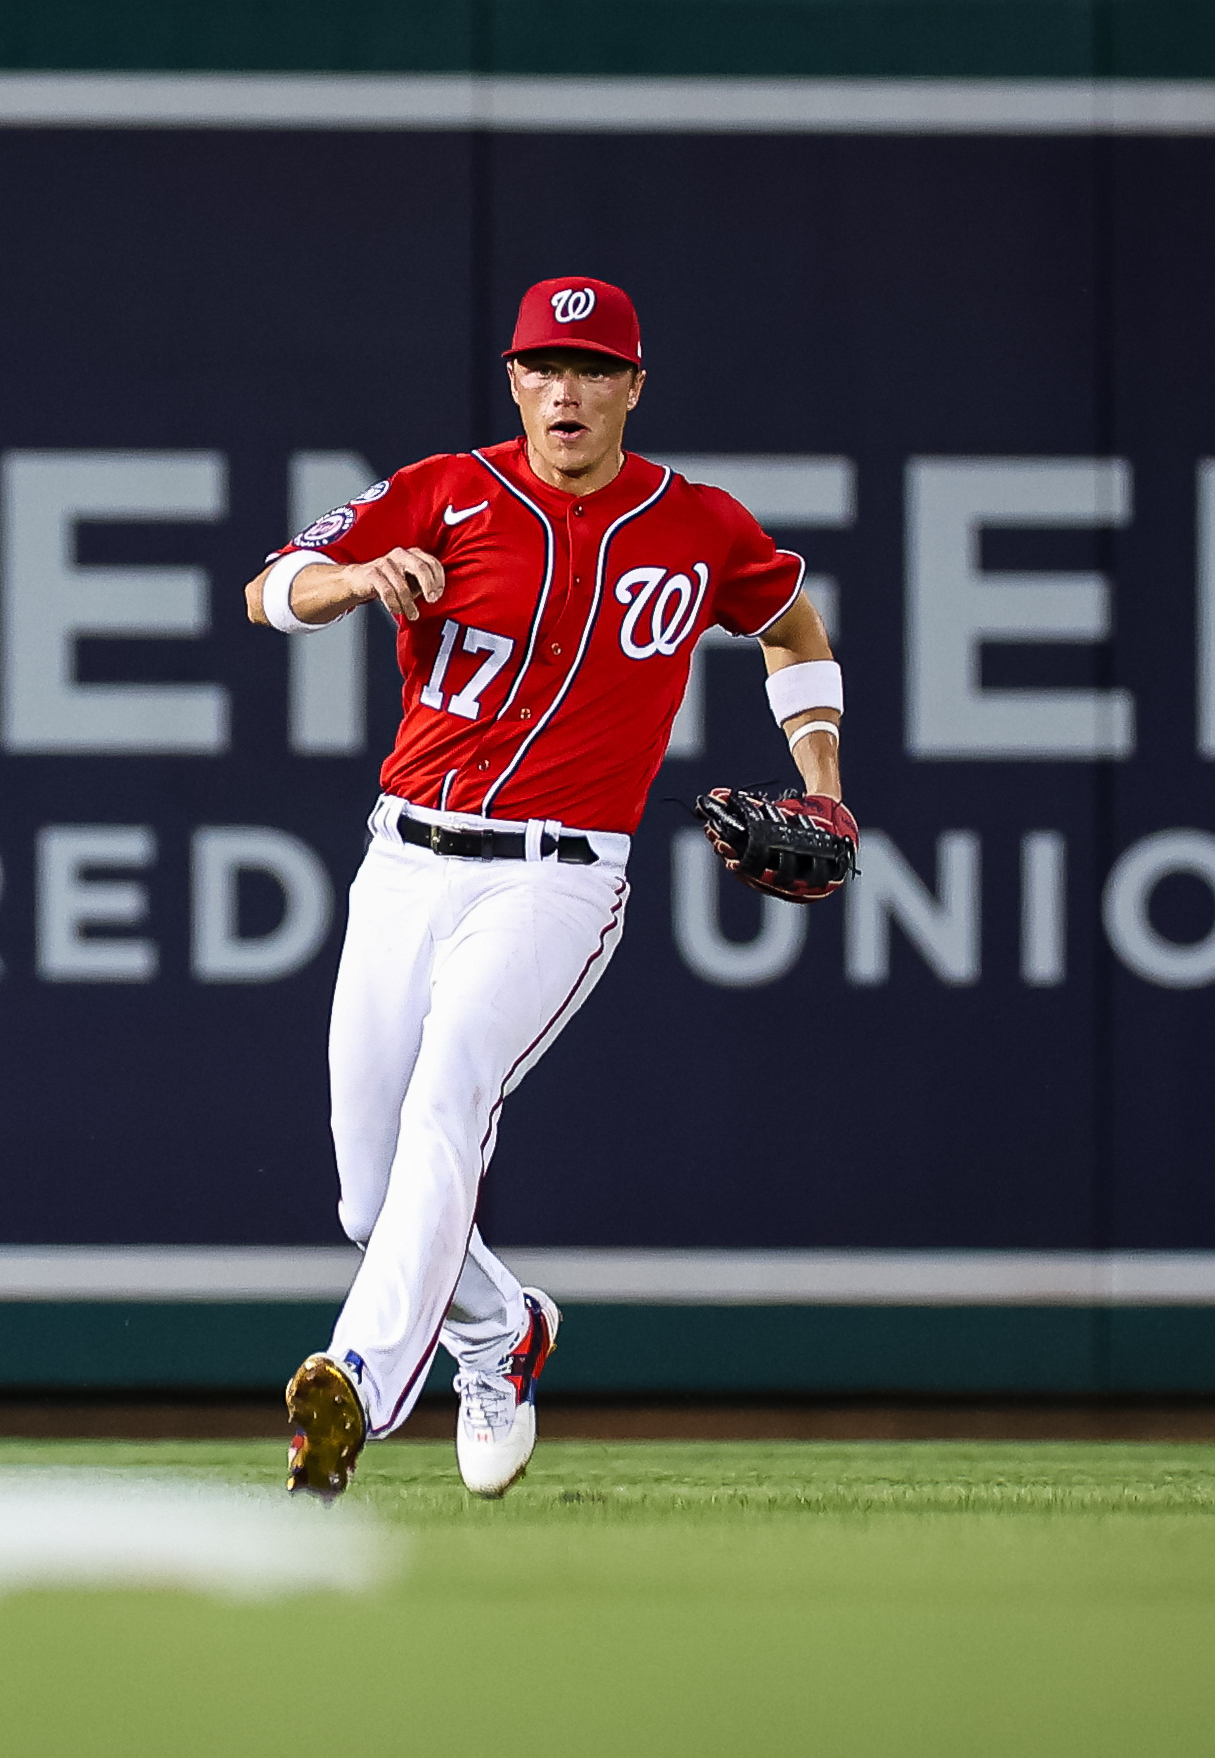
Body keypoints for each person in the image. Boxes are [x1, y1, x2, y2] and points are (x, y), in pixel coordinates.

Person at [245, 275, 850, 1499]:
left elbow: (792, 627)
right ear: (513, 377)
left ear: (634, 384)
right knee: (370, 1192)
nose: (563, 388)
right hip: (407, 855)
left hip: (557, 876)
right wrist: (358, 580)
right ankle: (500, 1328)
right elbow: (270, 589)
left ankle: (354, 1378)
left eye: (591, 368)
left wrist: (824, 782)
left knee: (449, 1091)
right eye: (542, 365)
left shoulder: (698, 524)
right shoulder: (440, 491)